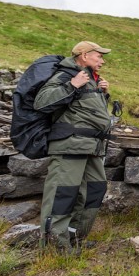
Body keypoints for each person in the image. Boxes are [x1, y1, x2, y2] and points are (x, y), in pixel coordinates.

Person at [35, 41, 113, 253]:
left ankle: (74, 239)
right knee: (63, 194)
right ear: (85, 55)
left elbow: (84, 110)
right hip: (70, 145)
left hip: (91, 146)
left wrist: (102, 94)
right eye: (99, 56)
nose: (102, 60)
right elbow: (41, 102)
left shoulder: (90, 80)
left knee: (95, 190)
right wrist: (71, 85)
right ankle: (54, 248)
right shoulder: (66, 75)